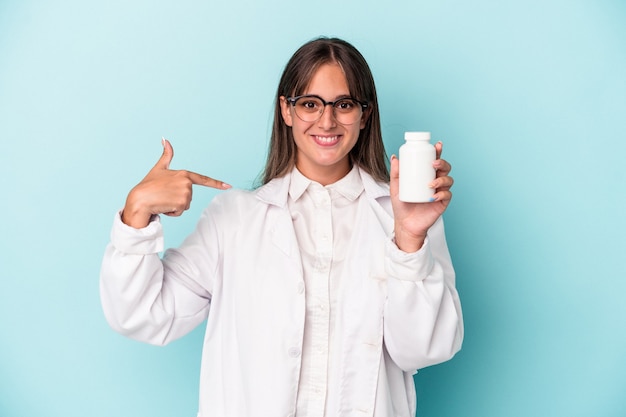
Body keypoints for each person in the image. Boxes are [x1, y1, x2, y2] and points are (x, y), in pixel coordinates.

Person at [100, 37, 463, 417]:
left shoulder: (407, 219)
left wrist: (408, 241)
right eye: (309, 104)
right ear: (286, 111)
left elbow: (423, 349)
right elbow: (143, 315)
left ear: (364, 114)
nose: (327, 120)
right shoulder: (233, 220)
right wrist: (135, 214)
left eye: (344, 104)